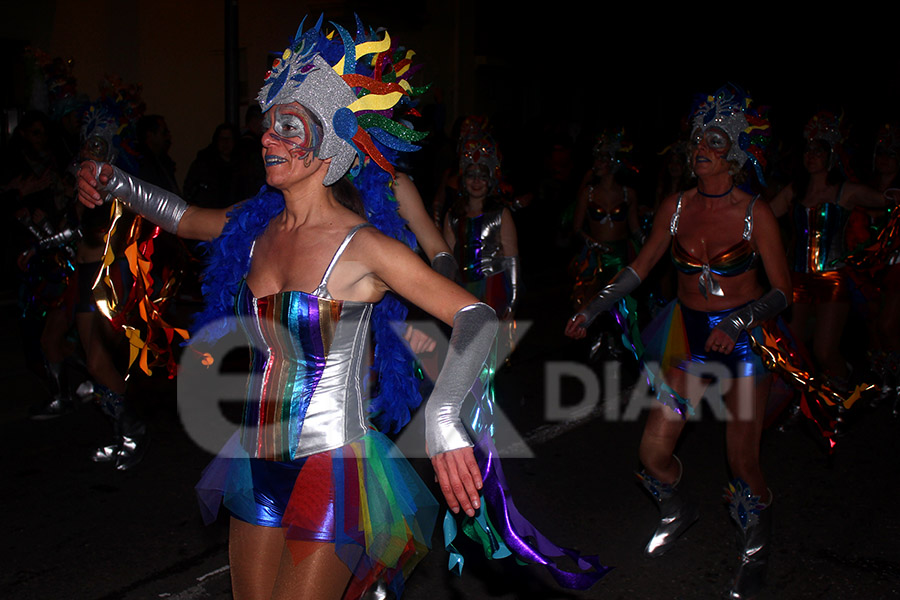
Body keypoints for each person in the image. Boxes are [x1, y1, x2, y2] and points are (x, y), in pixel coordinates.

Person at [78, 16, 605, 599]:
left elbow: (476, 319)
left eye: (288, 127)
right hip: (255, 458)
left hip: (333, 465)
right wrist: (112, 179)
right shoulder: (253, 227)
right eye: (267, 125)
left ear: (329, 142)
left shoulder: (363, 247)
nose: (267, 138)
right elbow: (180, 216)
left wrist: (445, 414)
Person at [566, 85, 790, 599]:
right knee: (652, 450)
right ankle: (678, 509)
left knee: (743, 462)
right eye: (696, 141)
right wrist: (594, 305)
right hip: (688, 339)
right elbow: (640, 267)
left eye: (712, 140)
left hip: (744, 343)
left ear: (734, 151)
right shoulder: (675, 206)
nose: (700, 149)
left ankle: (755, 553)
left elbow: (783, 291)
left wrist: (738, 323)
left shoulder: (757, 213)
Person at [768, 111, 891, 391]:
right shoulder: (794, 191)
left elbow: (886, 201)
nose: (810, 156)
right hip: (797, 279)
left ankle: (843, 396)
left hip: (832, 280)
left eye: (818, 151)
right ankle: (801, 403)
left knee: (824, 351)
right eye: (807, 150)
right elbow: (764, 214)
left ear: (831, 155)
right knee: (791, 349)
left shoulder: (844, 191)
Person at [568, 129, 640, 358]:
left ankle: (621, 341)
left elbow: (635, 228)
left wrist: (651, 245)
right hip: (594, 256)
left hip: (619, 255)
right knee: (588, 299)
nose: (597, 163)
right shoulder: (588, 194)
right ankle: (597, 337)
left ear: (614, 162)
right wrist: (594, 244)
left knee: (622, 303)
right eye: (596, 158)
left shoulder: (629, 194)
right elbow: (577, 228)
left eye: (603, 158)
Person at [442, 131, 520, 320]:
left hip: (493, 288)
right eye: (471, 175)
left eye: (482, 176)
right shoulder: (453, 215)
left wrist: (513, 300)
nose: (476, 181)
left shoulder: (501, 214)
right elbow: (447, 258)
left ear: (490, 180)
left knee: (490, 344)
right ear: (463, 179)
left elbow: (511, 259)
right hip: (462, 288)